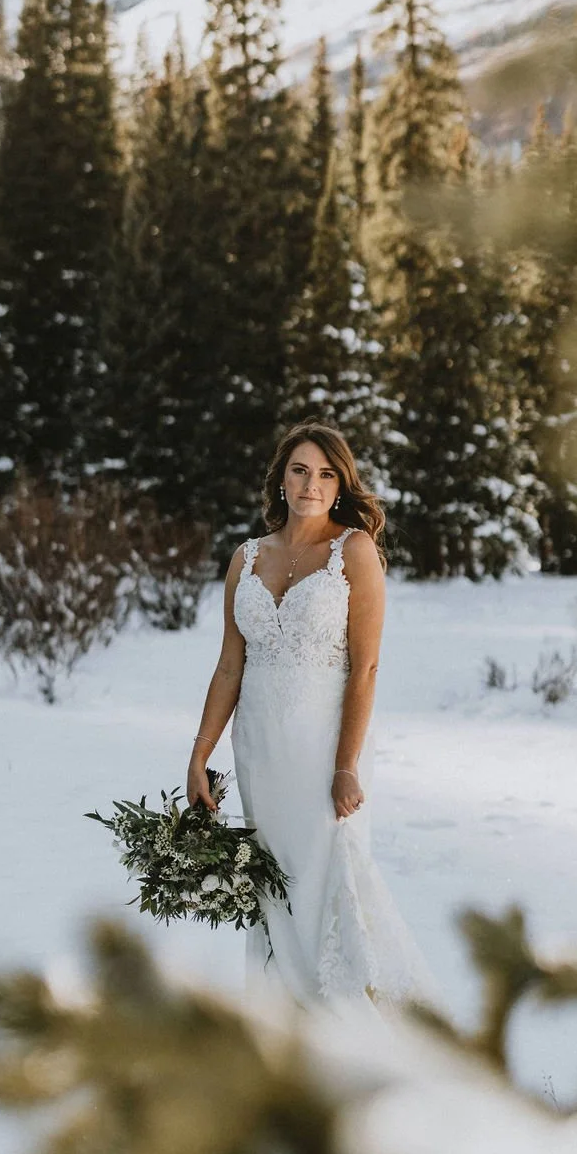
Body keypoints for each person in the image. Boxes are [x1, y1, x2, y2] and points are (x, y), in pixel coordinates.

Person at [186, 420, 437, 1008]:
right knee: (275, 890)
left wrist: (347, 764)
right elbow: (229, 666)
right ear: (280, 480)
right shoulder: (246, 558)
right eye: (300, 470)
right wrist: (200, 754)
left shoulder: (353, 551)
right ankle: (283, 1027)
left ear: (340, 484)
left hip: (324, 751)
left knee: (329, 880)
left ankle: (350, 1024)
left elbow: (366, 668)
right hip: (260, 753)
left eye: (326, 474)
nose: (311, 484)